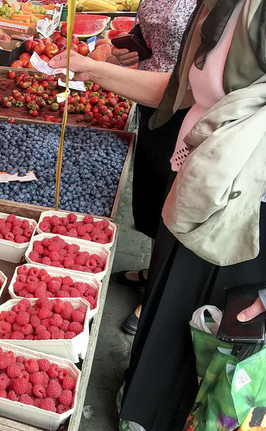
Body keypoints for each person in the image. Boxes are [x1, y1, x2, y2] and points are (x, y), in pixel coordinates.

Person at [50, 0, 266, 429]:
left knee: (210, 342)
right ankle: (142, 408)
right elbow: (183, 91)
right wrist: (92, 70)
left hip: (244, 214)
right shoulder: (219, 7)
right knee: (169, 312)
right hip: (194, 189)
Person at [108, 0, 196, 335]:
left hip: (186, 107)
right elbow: (153, 28)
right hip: (149, 98)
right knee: (152, 188)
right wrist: (133, 45)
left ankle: (158, 295)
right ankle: (152, 269)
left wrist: (98, 70)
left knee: (176, 200)